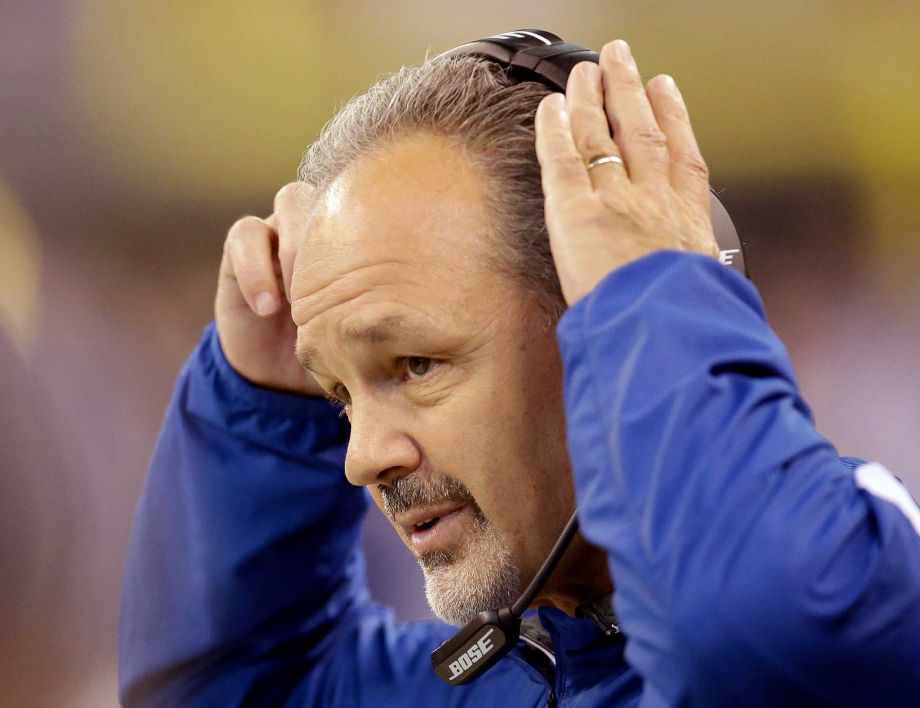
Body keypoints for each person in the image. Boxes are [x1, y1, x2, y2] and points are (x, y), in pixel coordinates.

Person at [119, 38, 920, 706]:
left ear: (602, 330)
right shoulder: (511, 676)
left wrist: (659, 294)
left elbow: (776, 635)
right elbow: (239, 689)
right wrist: (261, 407)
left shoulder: (861, 581)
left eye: (415, 364)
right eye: (338, 396)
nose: (361, 458)